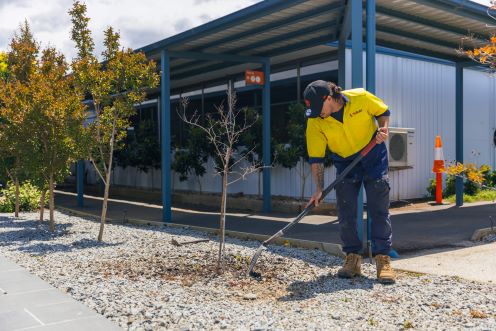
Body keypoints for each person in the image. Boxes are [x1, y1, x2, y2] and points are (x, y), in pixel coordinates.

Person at [303, 80, 395, 284]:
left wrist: (383, 129)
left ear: (329, 98)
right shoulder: (316, 121)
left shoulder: (360, 97)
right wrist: (318, 189)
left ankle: (383, 259)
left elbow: (383, 111)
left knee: (378, 207)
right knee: (346, 211)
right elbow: (316, 158)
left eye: (320, 108)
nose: (318, 114)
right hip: (345, 162)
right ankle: (352, 258)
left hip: (372, 154)